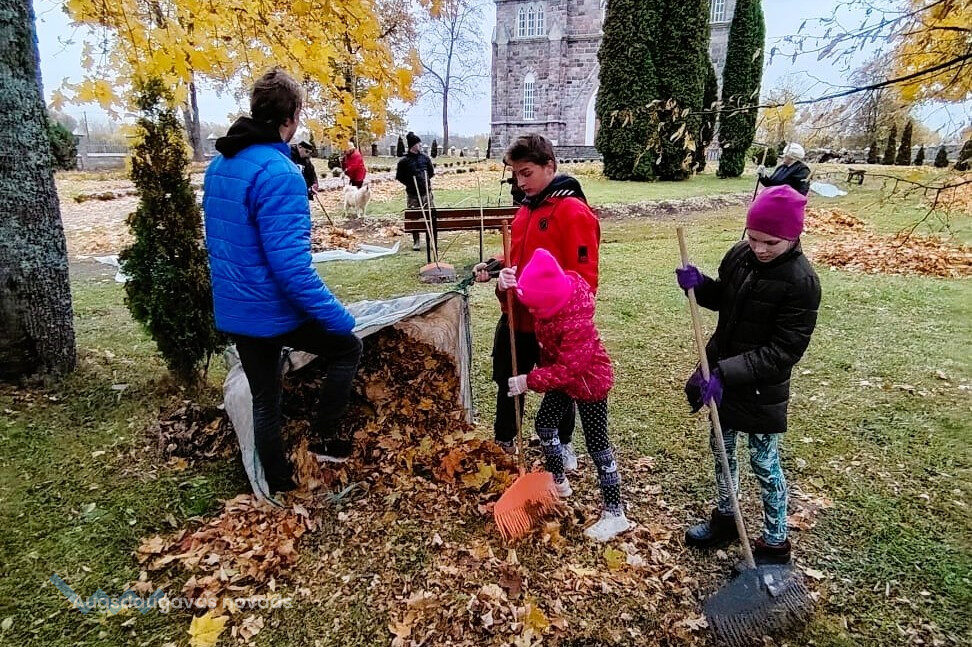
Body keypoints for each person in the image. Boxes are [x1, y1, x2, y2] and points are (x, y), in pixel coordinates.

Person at [203, 68, 363, 493]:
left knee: (265, 398)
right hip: (271, 309)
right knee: (347, 346)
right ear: (291, 117)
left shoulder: (219, 165)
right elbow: (291, 269)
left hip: (236, 307)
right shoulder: (280, 172)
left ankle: (278, 484)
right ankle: (325, 437)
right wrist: (338, 317)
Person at [675, 184, 822, 565]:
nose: (759, 248)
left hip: (759, 389)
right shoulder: (740, 256)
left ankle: (775, 542)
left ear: (794, 235)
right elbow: (727, 299)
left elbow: (784, 351)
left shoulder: (801, 282)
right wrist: (700, 285)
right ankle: (727, 518)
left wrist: (726, 373)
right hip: (721, 377)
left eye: (771, 242)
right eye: (753, 237)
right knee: (722, 451)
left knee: (764, 462)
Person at [474, 133, 600, 466]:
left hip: (554, 325)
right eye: (516, 174)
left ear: (550, 166)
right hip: (515, 317)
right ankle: (504, 439)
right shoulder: (525, 211)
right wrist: (496, 267)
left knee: (559, 386)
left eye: (526, 173)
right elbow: (519, 258)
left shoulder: (573, 212)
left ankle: (562, 442)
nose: (520, 182)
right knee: (507, 379)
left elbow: (584, 279)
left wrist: (552, 307)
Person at [508, 248, 630, 541]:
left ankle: (615, 513)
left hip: (589, 383)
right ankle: (558, 481)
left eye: (535, 308)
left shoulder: (577, 322)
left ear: (552, 302)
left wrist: (528, 380)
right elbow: (556, 361)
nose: (532, 313)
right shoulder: (550, 307)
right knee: (545, 424)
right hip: (563, 378)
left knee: (598, 445)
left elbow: (568, 369)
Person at [395, 131, 435, 251]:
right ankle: (416, 241)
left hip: (426, 192)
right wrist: (409, 183)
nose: (420, 145)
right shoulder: (404, 161)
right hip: (412, 194)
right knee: (414, 217)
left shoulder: (425, 158)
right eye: (418, 143)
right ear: (413, 145)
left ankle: (431, 239)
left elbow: (431, 173)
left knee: (430, 215)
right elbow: (399, 177)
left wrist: (424, 181)